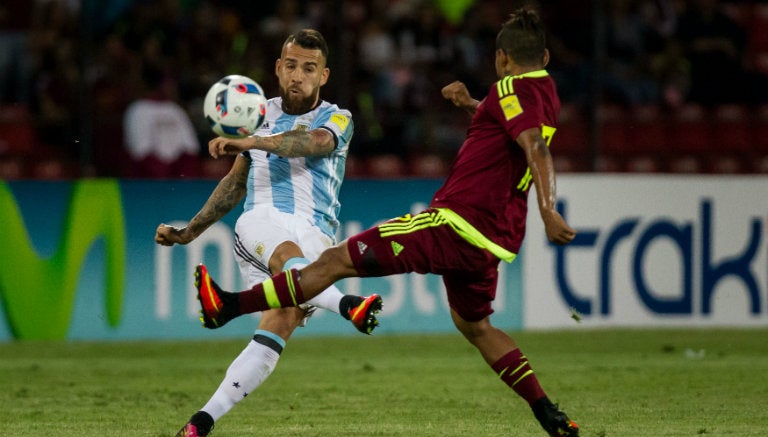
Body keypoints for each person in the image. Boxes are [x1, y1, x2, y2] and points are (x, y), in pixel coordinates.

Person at [193, 9, 579, 437]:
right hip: (495, 238)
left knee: (334, 261)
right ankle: (547, 411)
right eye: (291, 65)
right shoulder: (547, 93)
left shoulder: (506, 88)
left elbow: (534, 147)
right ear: (545, 57)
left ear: (502, 58)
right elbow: (513, 128)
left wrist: (549, 208)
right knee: (477, 326)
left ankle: (231, 305)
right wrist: (474, 105)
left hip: (455, 222)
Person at [154, 29, 382, 437]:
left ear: (324, 75)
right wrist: (189, 232)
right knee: (287, 255)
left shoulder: (338, 117)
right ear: (278, 68)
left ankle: (200, 423)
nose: (298, 76)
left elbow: (314, 142)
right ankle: (348, 304)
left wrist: (253, 141)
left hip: (316, 234)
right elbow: (234, 184)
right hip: (261, 222)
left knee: (282, 319)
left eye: (309, 69)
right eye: (291, 66)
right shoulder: (256, 114)